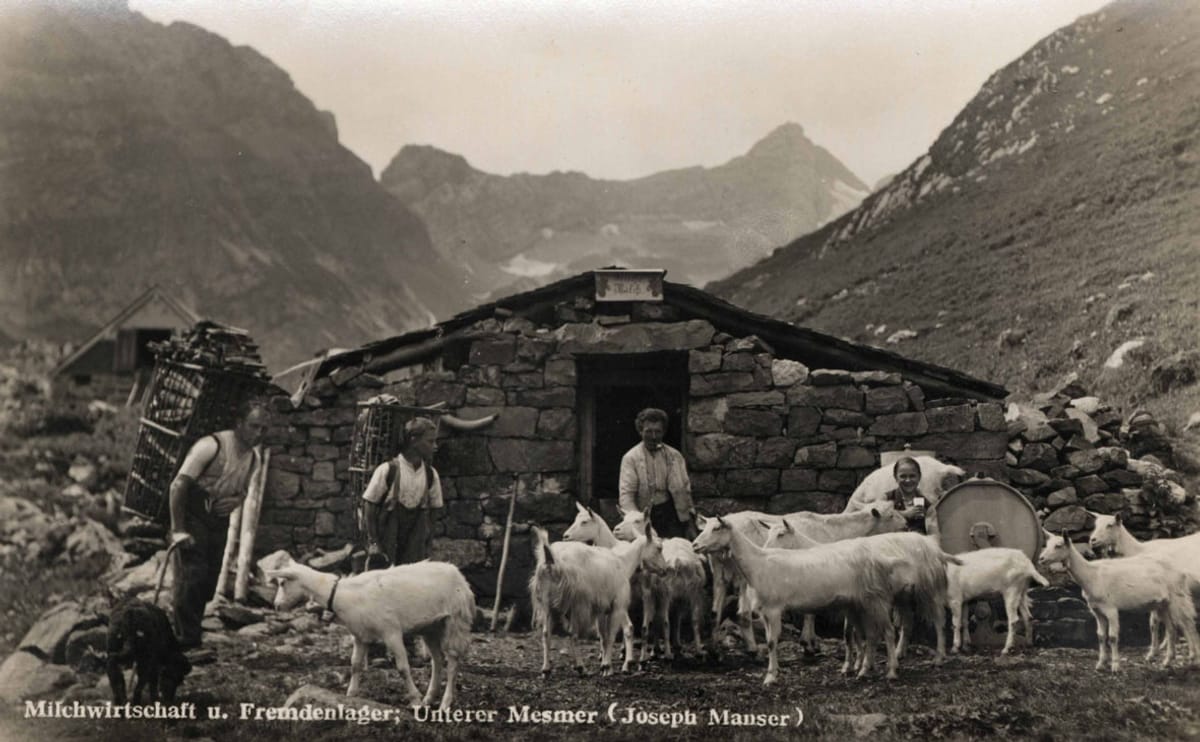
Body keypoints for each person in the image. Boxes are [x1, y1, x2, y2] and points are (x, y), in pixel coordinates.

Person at [168, 401, 268, 649]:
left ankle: (191, 631)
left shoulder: (253, 458)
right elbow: (178, 486)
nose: (259, 434)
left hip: (217, 520)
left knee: (210, 579)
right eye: (254, 426)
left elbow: (243, 490)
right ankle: (184, 640)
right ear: (239, 424)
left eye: (264, 429)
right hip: (192, 513)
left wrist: (236, 501)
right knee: (193, 574)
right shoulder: (211, 445)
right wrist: (177, 529)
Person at [361, 416, 444, 567]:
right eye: (430, 441)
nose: (435, 446)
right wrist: (374, 542)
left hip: (414, 538)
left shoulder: (430, 474)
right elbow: (369, 506)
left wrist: (428, 541)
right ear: (413, 440)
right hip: (388, 536)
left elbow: (435, 511)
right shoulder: (388, 470)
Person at [618, 408, 695, 540]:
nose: (653, 437)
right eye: (648, 431)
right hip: (643, 516)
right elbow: (627, 495)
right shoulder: (631, 458)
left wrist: (689, 523)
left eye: (658, 431)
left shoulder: (674, 456)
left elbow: (685, 491)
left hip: (670, 516)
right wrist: (635, 522)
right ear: (640, 431)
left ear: (664, 432)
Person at [885, 456, 933, 534]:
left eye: (912, 476)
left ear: (919, 477)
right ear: (895, 477)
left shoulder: (926, 503)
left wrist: (927, 518)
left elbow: (933, 530)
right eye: (903, 476)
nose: (908, 480)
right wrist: (904, 514)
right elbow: (880, 516)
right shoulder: (887, 498)